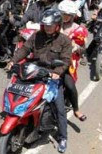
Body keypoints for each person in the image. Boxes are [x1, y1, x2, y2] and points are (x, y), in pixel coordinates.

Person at [9, 9, 72, 153]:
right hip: (34, 72)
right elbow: (25, 49)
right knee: (19, 93)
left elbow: (66, 60)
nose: (48, 28)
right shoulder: (36, 36)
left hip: (51, 76)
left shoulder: (64, 41)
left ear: (57, 25)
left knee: (59, 109)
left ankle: (63, 138)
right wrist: (13, 61)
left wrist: (57, 73)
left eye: (51, 25)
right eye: (45, 25)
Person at [58, 0, 88, 121]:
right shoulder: (52, 24)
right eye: (62, 14)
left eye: (67, 15)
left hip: (66, 63)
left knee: (70, 85)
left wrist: (76, 48)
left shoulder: (78, 30)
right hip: (48, 58)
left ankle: (76, 109)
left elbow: (83, 49)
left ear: (72, 16)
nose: (64, 17)